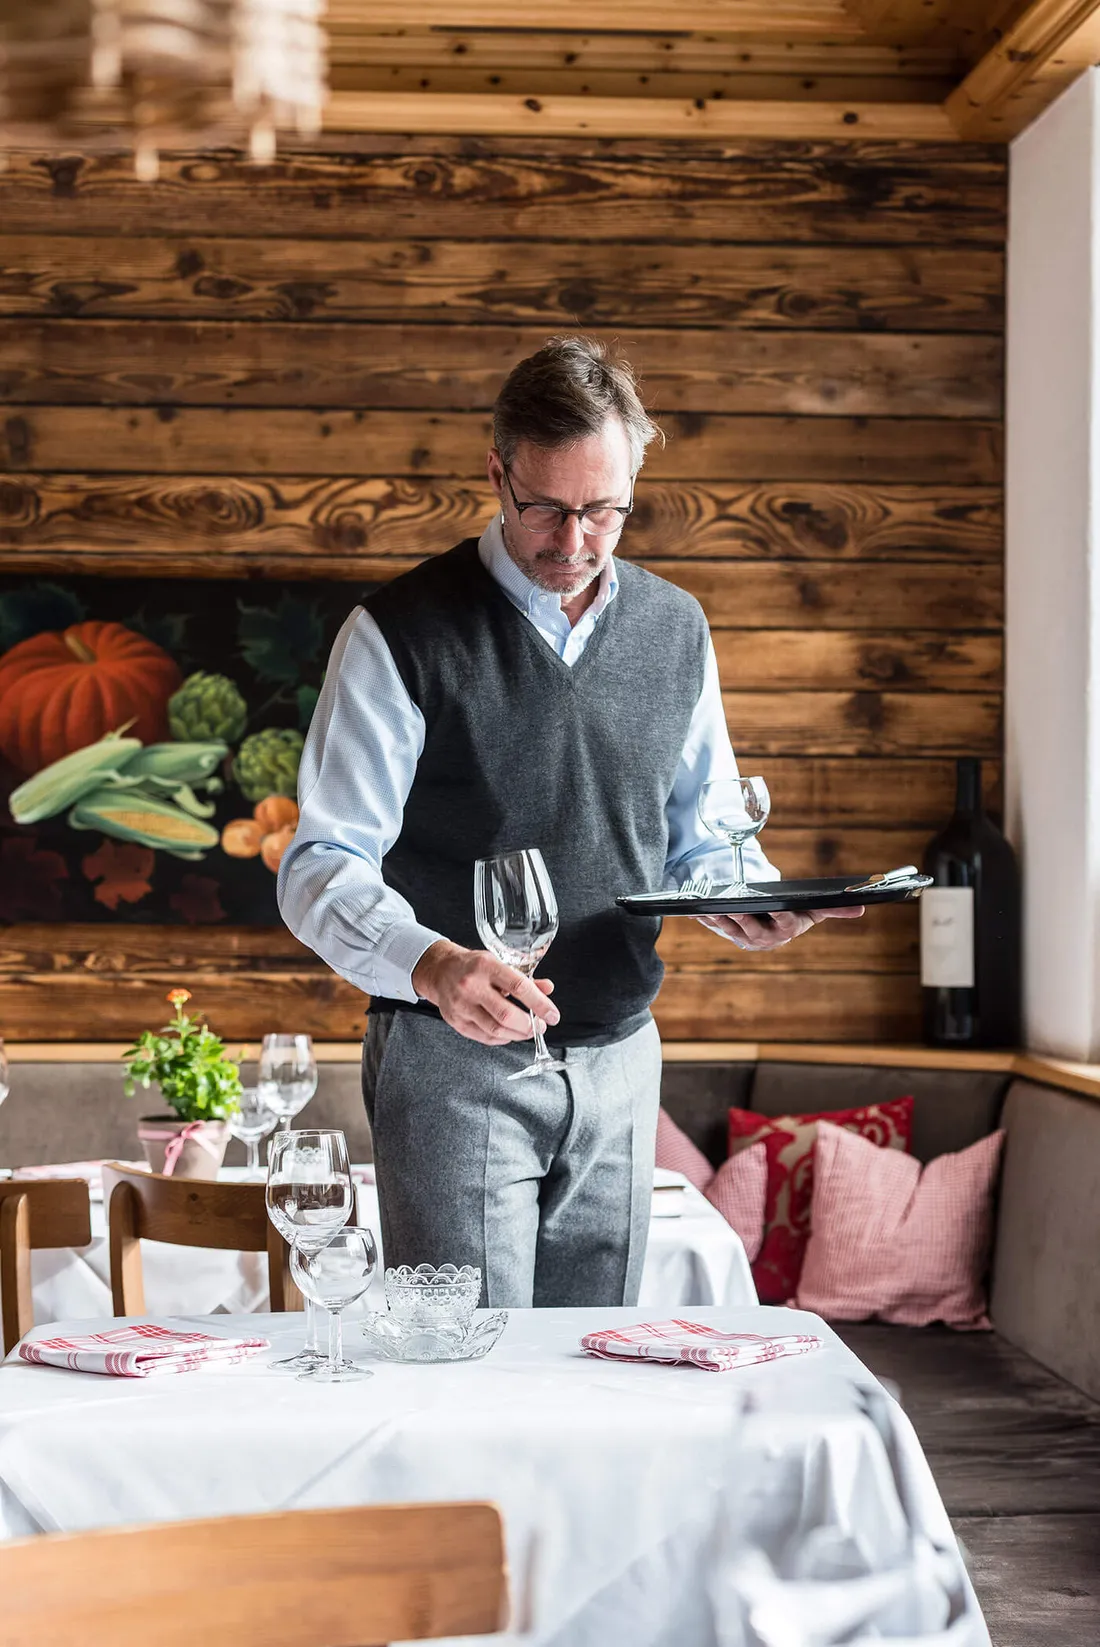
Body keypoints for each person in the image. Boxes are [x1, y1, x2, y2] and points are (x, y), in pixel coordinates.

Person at [278, 336, 862, 1308]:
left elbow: (705, 833)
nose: (574, 540)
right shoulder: (397, 633)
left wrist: (745, 896)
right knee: (467, 1377)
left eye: (603, 510)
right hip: (451, 1061)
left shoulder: (676, 629)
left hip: (624, 1059)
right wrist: (431, 965)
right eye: (545, 506)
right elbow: (319, 862)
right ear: (495, 472)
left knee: (599, 1376)